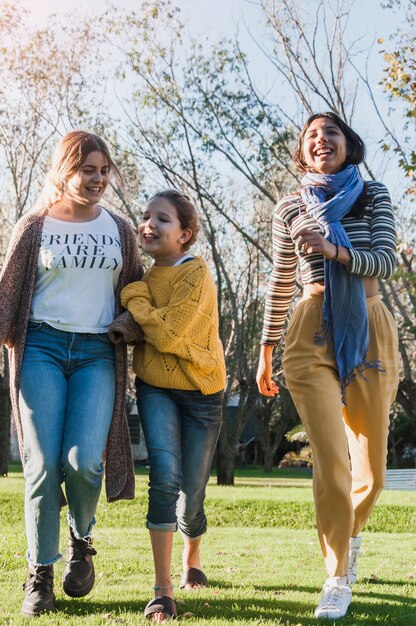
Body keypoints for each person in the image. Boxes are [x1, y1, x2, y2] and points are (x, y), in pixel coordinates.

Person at [256, 112, 399, 619]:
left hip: (369, 325)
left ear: (348, 144)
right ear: (302, 149)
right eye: (311, 134)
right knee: (331, 461)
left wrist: (336, 250)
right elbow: (281, 278)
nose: (321, 140)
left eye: (331, 132)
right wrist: (266, 346)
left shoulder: (373, 194)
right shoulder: (290, 206)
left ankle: (350, 535)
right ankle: (336, 575)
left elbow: (387, 261)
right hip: (309, 326)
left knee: (373, 474)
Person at [0, 131, 142, 615]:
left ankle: (82, 540)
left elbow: (136, 294)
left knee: (85, 461)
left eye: (104, 170)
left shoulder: (119, 229)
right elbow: (7, 296)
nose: (98, 178)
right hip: (40, 346)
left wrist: (127, 326)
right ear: (65, 171)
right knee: (41, 464)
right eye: (88, 169)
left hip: (97, 353)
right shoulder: (35, 226)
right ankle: (39, 574)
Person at [119, 189, 226, 622]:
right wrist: (139, 297)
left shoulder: (194, 274)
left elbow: (170, 335)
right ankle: (162, 590)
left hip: (202, 391)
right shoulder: (141, 276)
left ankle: (192, 557)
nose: (149, 224)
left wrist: (136, 300)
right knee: (164, 477)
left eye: (161, 219)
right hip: (155, 387)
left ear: (185, 234)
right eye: (145, 216)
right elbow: (154, 331)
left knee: (192, 495)